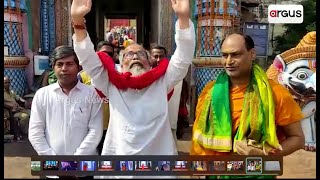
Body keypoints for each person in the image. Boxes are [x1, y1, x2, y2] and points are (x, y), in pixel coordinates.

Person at [71, 0, 195, 159]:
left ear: (150, 64)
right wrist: (77, 21)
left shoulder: (162, 81)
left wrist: (183, 18)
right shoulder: (111, 83)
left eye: (141, 54)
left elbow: (183, 57)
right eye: (129, 55)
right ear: (120, 65)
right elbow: (87, 58)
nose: (135, 56)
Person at [190, 33, 305, 178]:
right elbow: (198, 138)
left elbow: (298, 139)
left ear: (252, 54)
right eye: (225, 55)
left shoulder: (275, 93)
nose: (229, 61)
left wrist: (264, 153)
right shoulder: (210, 92)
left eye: (235, 55)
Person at [28, 45, 103, 178]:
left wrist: (73, 164)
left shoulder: (92, 94)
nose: (64, 69)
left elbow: (95, 131)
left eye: (69, 64)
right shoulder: (42, 95)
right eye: (60, 64)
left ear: (78, 67)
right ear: (53, 68)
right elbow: (35, 133)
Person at [150, 44, 182, 144]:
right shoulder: (145, 76)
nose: (158, 60)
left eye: (161, 56)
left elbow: (182, 100)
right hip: (151, 123)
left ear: (166, 57)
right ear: (150, 57)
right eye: (155, 56)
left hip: (170, 121)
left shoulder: (174, 76)